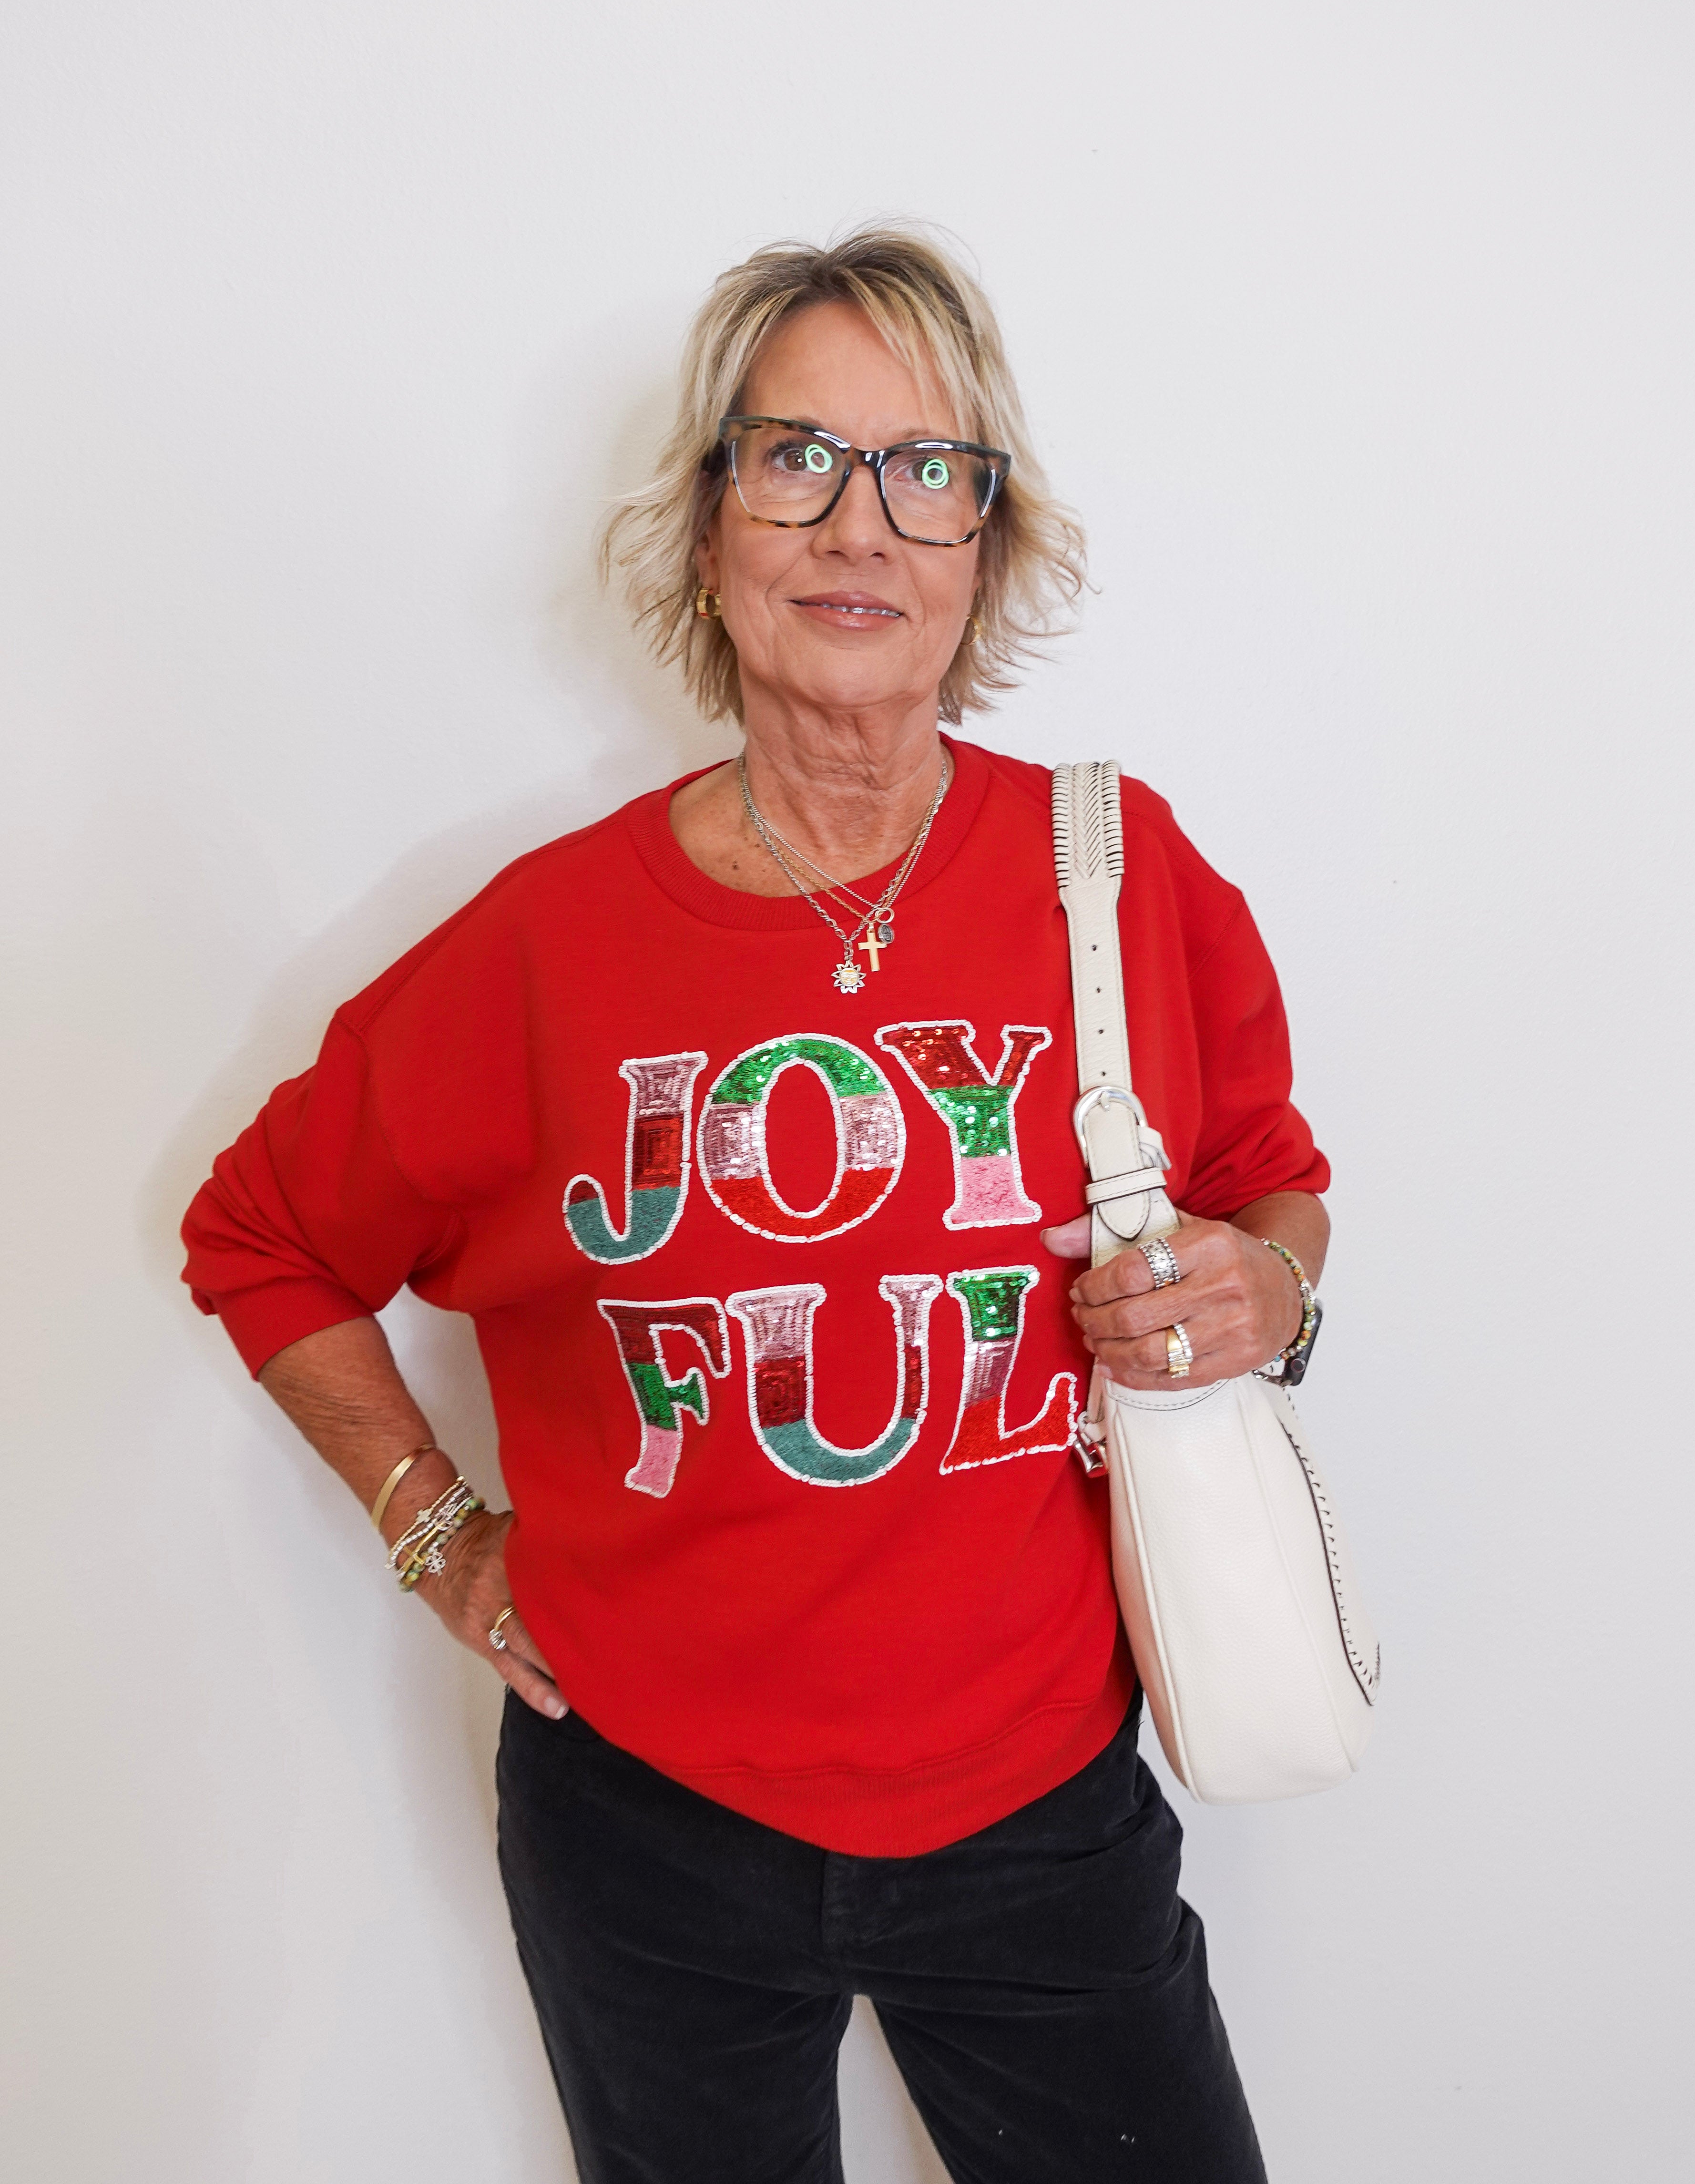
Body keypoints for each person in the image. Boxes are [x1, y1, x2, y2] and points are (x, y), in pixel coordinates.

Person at [182, 226, 1328, 2184]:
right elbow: (260, 1239)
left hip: (1045, 1803)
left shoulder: (1118, 874)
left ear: (988, 544)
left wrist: (1262, 1293)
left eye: (924, 470)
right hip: (648, 1827)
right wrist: (435, 1526)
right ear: (711, 526)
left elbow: (1271, 1197)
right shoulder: (545, 949)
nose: (857, 526)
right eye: (793, 457)